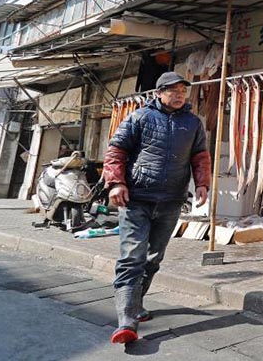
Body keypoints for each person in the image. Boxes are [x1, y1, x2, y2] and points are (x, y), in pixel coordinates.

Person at [102, 71, 211, 344]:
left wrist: (202, 184)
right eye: (173, 90)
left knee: (153, 259)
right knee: (132, 258)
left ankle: (136, 303)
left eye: (183, 91)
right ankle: (126, 321)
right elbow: (116, 151)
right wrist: (116, 183)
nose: (179, 95)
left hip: (171, 201)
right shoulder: (139, 117)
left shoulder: (193, 123)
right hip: (136, 199)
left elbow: (200, 156)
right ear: (159, 93)